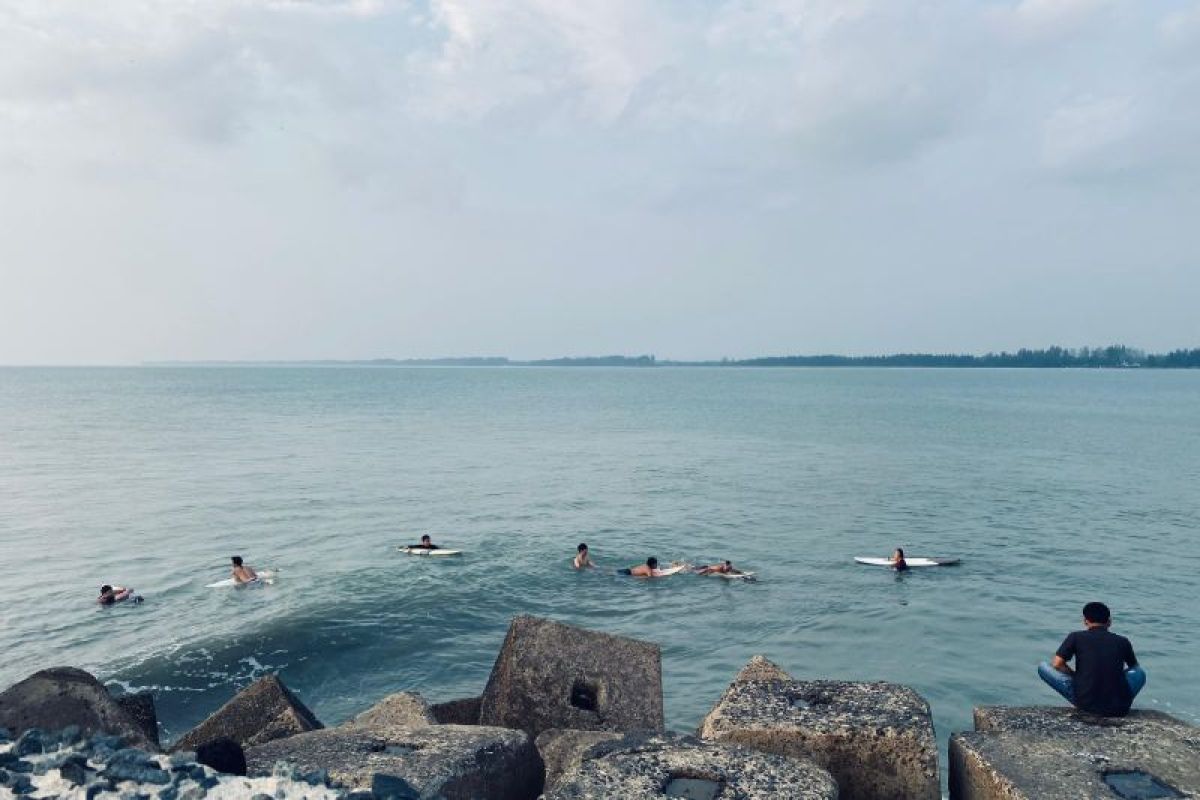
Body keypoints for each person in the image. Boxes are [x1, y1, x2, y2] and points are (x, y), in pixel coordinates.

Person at [1038, 601, 1146, 717]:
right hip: (1119, 708)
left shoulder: (1075, 637)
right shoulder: (1123, 641)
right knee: (1139, 673)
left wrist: (1075, 676)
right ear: (1109, 622)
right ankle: (1116, 699)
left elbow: (1057, 664)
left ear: (1085, 621)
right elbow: (1134, 667)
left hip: (1086, 704)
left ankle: (1089, 699)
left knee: (1043, 667)